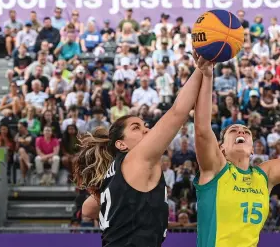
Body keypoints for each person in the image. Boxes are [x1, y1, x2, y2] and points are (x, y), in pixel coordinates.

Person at [73, 52, 210, 246]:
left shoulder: (117, 172)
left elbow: (87, 211)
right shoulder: (136, 158)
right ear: (121, 144)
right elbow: (177, 113)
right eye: (136, 127)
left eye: (145, 125)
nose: (146, 129)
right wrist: (200, 68)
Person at [193, 63, 280, 246]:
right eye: (234, 130)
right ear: (220, 148)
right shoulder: (215, 169)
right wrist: (207, 77)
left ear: (253, 149)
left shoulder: (263, 175)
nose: (241, 132)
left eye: (246, 132)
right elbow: (202, 129)